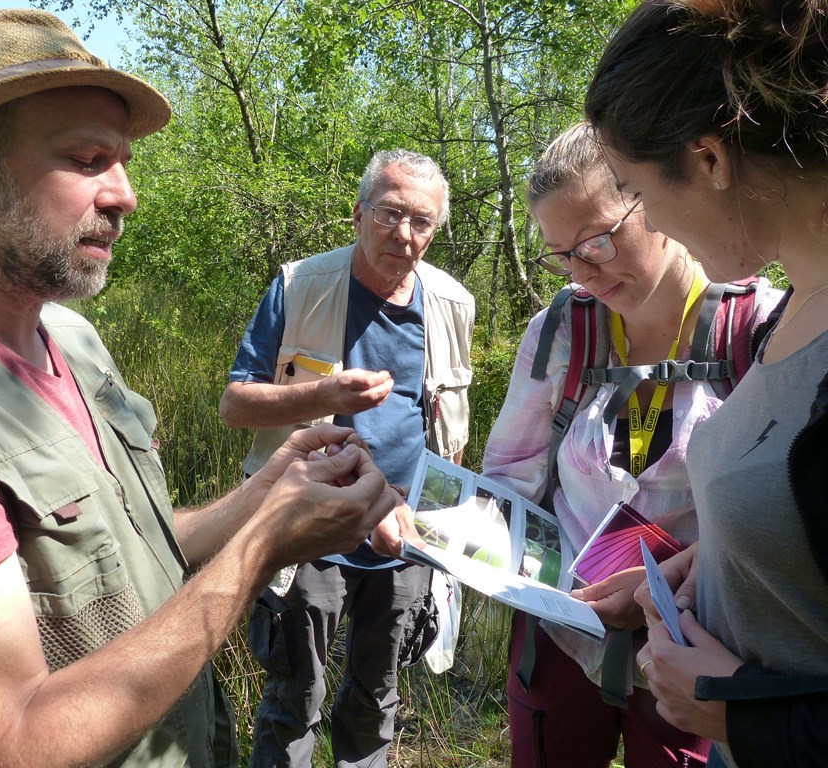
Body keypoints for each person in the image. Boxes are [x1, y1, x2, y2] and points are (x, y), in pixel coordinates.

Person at [0, 9, 399, 767]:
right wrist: (259, 550)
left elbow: (131, 561)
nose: (125, 195)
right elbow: (11, 742)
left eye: (122, 161)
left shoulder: (71, 339)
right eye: (87, 159)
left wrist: (270, 494)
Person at [477, 122, 780, 767]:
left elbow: (785, 519)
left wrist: (680, 576)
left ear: (655, 199)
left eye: (598, 240)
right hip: (560, 639)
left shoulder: (758, 329)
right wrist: (449, 533)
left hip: (691, 650)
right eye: (561, 255)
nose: (582, 272)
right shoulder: (563, 330)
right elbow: (510, 474)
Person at [583, 1, 828, 766]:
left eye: (636, 190)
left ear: (710, 160)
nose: (648, 219)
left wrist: (748, 717)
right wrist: (722, 561)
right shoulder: (787, 311)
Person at [219, 148, 475, 767]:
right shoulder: (299, 285)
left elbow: (448, 430)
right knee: (295, 695)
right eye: (390, 214)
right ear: (357, 214)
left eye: (422, 223)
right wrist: (325, 394)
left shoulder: (452, 305)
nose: (404, 235)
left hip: (405, 535)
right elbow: (235, 405)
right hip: (308, 527)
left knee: (377, 698)